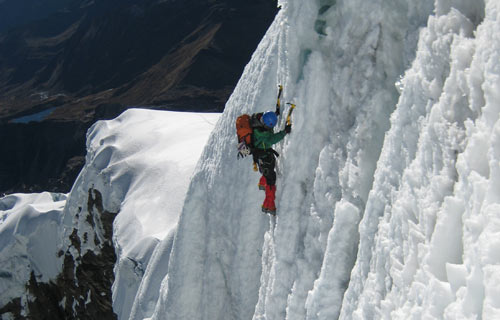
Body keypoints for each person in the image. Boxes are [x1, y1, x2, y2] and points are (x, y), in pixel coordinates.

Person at [250, 110, 292, 214]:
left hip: (261, 157)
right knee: (271, 180)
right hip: (264, 158)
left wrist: (275, 114)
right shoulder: (265, 136)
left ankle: (262, 183)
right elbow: (274, 138)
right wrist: (285, 132)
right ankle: (268, 205)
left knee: (266, 171)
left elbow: (268, 120)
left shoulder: (257, 122)